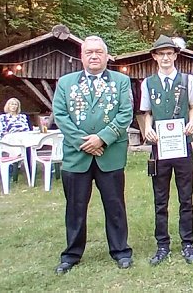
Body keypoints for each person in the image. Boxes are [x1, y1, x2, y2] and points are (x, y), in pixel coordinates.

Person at [52, 35, 134, 274]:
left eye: (99, 52)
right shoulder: (66, 83)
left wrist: (102, 138)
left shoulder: (121, 81)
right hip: (77, 157)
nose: (94, 56)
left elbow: (125, 113)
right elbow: (61, 115)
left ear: (107, 56)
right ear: (82, 56)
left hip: (110, 155)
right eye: (89, 52)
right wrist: (83, 142)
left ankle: (121, 251)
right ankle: (71, 254)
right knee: (75, 208)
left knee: (115, 205)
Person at [140, 35, 193, 265]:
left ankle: (187, 243)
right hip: (160, 148)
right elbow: (147, 113)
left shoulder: (189, 80)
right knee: (160, 199)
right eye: (161, 54)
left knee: (186, 198)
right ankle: (162, 244)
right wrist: (147, 129)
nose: (165, 58)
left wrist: (192, 123)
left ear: (175, 55)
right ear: (155, 57)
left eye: (169, 53)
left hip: (182, 146)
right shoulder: (148, 83)